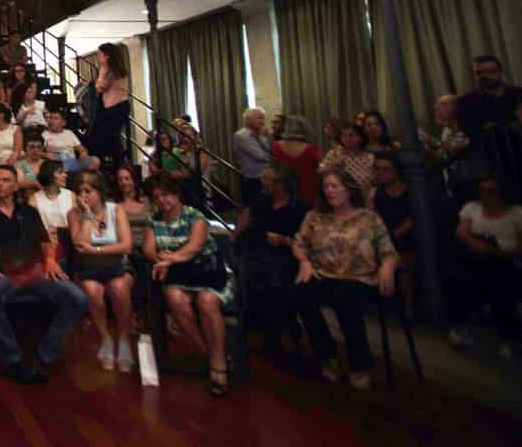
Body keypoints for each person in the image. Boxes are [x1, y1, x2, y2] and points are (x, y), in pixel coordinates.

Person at [0, 164, 88, 384]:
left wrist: (50, 259)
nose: (0, 183)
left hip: (34, 271)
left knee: (77, 297)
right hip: (3, 274)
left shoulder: (28, 212)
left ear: (15, 186)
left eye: (5, 180)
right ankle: (13, 360)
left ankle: (45, 357)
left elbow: (44, 241)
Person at [292, 168, 398, 389]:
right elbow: (299, 243)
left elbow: (387, 251)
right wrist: (304, 262)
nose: (329, 191)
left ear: (348, 190)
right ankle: (327, 354)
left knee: (346, 297)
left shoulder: (369, 218)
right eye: (326, 187)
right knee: (302, 292)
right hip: (324, 275)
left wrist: (387, 267)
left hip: (359, 278)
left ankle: (360, 363)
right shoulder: (314, 217)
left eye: (335, 186)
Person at [144, 173, 234, 396]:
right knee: (175, 299)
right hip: (176, 275)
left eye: (166, 195)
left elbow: (195, 246)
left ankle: (219, 364)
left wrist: (168, 259)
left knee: (206, 302)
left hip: (206, 271)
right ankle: (207, 354)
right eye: (156, 198)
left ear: (175, 195)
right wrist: (160, 258)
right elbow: (147, 249)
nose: (162, 201)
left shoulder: (195, 215)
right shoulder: (153, 221)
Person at [448, 173, 522, 359]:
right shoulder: (472, 209)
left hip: (509, 262)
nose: (487, 195)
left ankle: (507, 338)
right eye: (483, 190)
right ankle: (468, 329)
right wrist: (477, 244)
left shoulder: (518, 213)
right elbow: (461, 231)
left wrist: (494, 251)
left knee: (498, 281)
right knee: (470, 277)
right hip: (477, 259)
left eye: (492, 191)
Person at [236, 163, 310, 356]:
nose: (263, 182)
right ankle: (262, 330)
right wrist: (236, 236)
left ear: (280, 184)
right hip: (258, 249)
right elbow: (247, 220)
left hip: (287, 253)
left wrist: (284, 240)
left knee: (277, 278)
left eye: (267, 179)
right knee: (248, 273)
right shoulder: (261, 202)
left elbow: (305, 239)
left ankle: (285, 330)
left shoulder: (299, 207)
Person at [67, 171, 135, 372]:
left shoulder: (116, 210)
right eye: (80, 191)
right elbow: (80, 244)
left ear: (99, 191)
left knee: (119, 288)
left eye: (88, 191)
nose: (83, 196)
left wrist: (97, 249)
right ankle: (105, 338)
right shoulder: (74, 214)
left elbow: (126, 246)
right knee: (93, 292)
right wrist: (87, 216)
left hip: (117, 264)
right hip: (88, 268)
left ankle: (123, 340)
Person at [457, 55, 522, 160]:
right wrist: (514, 119)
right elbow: (473, 134)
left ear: (500, 72)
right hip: (496, 159)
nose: (485, 76)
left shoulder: (520, 94)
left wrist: (495, 125)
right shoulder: (467, 102)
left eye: (491, 71)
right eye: (479, 73)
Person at [88, 43, 131, 165]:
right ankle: (116, 164)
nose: (98, 57)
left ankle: (116, 165)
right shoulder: (117, 69)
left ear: (107, 56)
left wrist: (102, 71)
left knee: (107, 137)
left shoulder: (111, 70)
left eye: (100, 54)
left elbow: (100, 88)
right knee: (112, 137)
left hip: (114, 108)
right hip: (119, 106)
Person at [271, 114, 322, 206]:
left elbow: (275, 169)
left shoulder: (276, 146)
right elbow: (318, 170)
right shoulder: (312, 149)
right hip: (308, 189)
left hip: (284, 190)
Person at [321, 121, 375, 194]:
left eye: (351, 135)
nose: (347, 139)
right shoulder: (334, 153)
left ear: (361, 138)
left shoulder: (369, 158)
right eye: (344, 135)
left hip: (365, 197)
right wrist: (333, 165)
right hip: (340, 196)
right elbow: (320, 172)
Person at [233, 108, 271, 207]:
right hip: (253, 178)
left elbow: (271, 150)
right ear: (248, 120)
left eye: (263, 118)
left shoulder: (262, 135)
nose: (262, 121)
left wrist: (269, 137)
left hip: (266, 176)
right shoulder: (241, 135)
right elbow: (260, 156)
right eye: (259, 118)